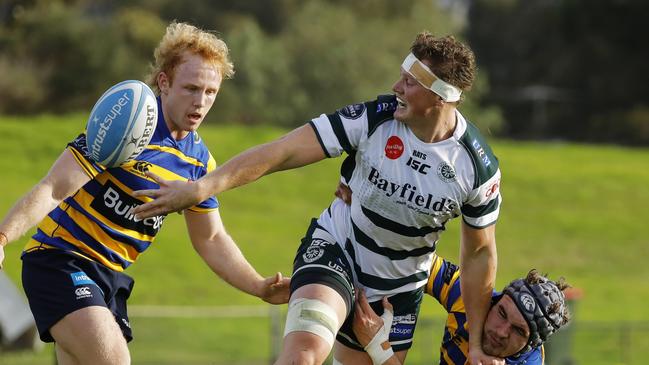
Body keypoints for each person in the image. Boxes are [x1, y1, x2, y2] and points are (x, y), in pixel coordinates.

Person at [132, 32, 502, 365]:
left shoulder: (477, 168)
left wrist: (476, 345)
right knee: (302, 357)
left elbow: (479, 254)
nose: (396, 87)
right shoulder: (374, 118)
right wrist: (202, 187)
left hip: (397, 290)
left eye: (409, 82)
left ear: (440, 96)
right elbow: (283, 151)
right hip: (337, 249)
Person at [0, 21, 289, 365]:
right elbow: (54, 188)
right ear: (164, 83)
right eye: (191, 88)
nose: (201, 102)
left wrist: (258, 286)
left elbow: (210, 238)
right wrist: (3, 237)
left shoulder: (199, 162)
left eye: (211, 92)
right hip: (61, 261)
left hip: (110, 279)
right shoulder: (127, 123)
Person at [352, 254, 571, 365]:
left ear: (529, 346)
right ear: (496, 301)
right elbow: (415, 261)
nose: (501, 331)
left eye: (518, 331)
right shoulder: (471, 297)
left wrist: (378, 346)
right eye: (502, 313)